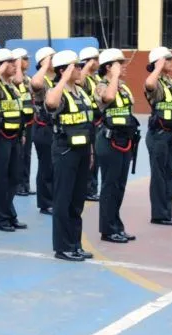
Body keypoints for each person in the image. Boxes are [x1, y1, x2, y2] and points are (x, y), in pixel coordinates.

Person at [45, 50, 95, 262]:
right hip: (65, 151)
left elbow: (86, 123)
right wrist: (63, 77)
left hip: (83, 150)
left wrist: (90, 150)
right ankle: (63, 247)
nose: (79, 69)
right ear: (63, 69)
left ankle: (75, 243)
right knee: (63, 200)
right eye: (75, 66)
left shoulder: (81, 91)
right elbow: (51, 103)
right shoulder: (58, 91)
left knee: (77, 201)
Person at [94, 48, 140, 244]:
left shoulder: (123, 87)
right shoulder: (100, 86)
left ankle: (116, 225)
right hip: (109, 141)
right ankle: (107, 229)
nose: (124, 67)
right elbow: (108, 98)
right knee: (110, 186)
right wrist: (113, 77)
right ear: (108, 67)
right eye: (119, 64)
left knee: (120, 186)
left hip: (124, 140)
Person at [0, 48, 28, 232]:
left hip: (15, 136)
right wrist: (0, 71)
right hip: (0, 138)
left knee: (14, 177)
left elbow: (18, 110)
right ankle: (0, 218)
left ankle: (10, 213)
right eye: (9, 62)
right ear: (0, 65)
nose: (14, 65)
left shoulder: (11, 85)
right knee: (0, 178)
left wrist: (22, 133)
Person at [144, 46, 172, 226]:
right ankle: (159, 214)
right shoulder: (156, 81)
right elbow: (149, 85)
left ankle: (167, 212)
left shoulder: (170, 81)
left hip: (171, 133)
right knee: (159, 175)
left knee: (168, 174)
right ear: (158, 63)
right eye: (167, 59)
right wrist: (157, 67)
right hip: (158, 134)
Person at [30, 47, 57, 215]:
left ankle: (55, 198)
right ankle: (45, 203)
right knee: (46, 165)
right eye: (51, 58)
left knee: (56, 166)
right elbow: (36, 83)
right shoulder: (42, 80)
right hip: (43, 128)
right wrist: (45, 65)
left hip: (56, 127)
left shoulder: (57, 79)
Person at [78, 46, 102, 202]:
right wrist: (86, 65)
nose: (98, 62)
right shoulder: (84, 77)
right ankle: (88, 189)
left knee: (97, 159)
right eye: (96, 59)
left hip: (99, 122)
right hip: (90, 123)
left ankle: (93, 187)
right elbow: (79, 82)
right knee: (90, 158)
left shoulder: (96, 78)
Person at [12, 48, 36, 197]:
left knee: (27, 154)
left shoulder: (28, 79)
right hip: (18, 123)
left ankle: (25, 183)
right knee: (19, 155)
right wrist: (18, 66)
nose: (28, 62)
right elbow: (17, 81)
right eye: (24, 59)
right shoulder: (15, 79)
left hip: (29, 121)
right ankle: (19, 184)